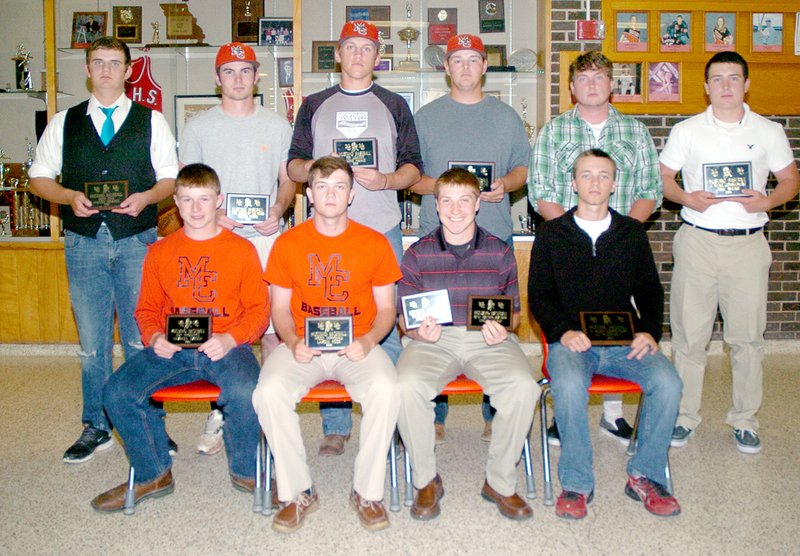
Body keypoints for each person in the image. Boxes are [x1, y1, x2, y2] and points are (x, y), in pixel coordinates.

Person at [29, 36, 178, 464]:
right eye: (99, 62)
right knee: (93, 342)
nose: (108, 70)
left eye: (116, 63)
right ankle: (96, 424)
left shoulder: (153, 121)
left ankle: (147, 421)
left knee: (141, 337)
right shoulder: (64, 122)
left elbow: (170, 178)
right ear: (88, 70)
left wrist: (148, 198)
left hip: (138, 240)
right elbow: (39, 178)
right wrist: (66, 196)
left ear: (129, 70)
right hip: (83, 242)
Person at [90, 163, 269, 512]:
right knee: (117, 392)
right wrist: (155, 336)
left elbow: (259, 311)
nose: (197, 208)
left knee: (247, 390)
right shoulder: (159, 252)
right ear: (175, 202)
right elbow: (146, 310)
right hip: (173, 349)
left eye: (204, 199)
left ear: (219, 200)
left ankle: (247, 471)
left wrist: (231, 339)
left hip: (226, 346)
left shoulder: (242, 250)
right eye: (187, 200)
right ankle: (152, 472)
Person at [288, 19, 422, 457]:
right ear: (338, 54)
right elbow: (293, 165)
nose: (359, 55)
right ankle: (336, 424)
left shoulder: (394, 104)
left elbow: (413, 168)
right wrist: (320, 175)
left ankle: (397, 418)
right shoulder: (313, 103)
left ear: (377, 55)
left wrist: (385, 179)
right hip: (322, 235)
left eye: (367, 47)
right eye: (351, 47)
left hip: (380, 229)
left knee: (388, 323)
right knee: (325, 317)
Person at [529, 148, 683, 520]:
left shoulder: (630, 233)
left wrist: (648, 331)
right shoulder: (552, 234)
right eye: (586, 175)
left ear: (614, 184)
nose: (594, 182)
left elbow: (649, 289)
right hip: (572, 343)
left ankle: (645, 475)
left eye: (602, 175)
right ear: (574, 182)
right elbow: (539, 295)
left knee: (668, 382)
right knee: (566, 384)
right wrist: (562, 332)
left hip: (623, 341)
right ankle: (577, 483)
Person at [660, 51, 799, 454]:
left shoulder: (769, 130)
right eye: (717, 79)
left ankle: (744, 420)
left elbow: (791, 179)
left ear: (746, 83)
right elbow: (664, 178)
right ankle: (684, 416)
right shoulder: (687, 130)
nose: (725, 86)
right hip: (697, 240)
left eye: (733, 78)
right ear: (706, 86)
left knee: (748, 338)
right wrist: (687, 197)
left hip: (747, 245)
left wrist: (767, 201)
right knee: (689, 337)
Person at [252, 156, 401, 532]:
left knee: (387, 388)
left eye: (339, 187)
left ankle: (367, 492)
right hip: (305, 345)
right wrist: (292, 340)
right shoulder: (288, 244)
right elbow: (280, 309)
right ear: (310, 194)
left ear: (351, 195)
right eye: (322, 186)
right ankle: (298, 491)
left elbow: (387, 308)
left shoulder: (375, 243)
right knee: (267, 392)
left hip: (358, 345)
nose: (331, 194)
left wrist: (368, 341)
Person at [529, 50, 662, 447]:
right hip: (568, 244)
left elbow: (649, 191)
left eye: (599, 78)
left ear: (611, 86)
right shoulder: (552, 131)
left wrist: (621, 238)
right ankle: (564, 414)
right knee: (566, 324)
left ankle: (613, 414)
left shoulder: (635, 132)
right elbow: (542, 193)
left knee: (620, 320)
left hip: (620, 246)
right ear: (571, 88)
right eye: (583, 78)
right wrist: (569, 238)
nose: (591, 85)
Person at [397, 168, 538, 521]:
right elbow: (403, 319)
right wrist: (417, 333)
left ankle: (500, 483)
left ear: (478, 204)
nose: (455, 209)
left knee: (523, 388)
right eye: (447, 200)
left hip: (486, 339)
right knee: (404, 386)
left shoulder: (500, 252)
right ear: (436, 203)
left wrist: (502, 327)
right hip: (433, 340)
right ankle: (426, 480)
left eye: (464, 200)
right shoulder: (417, 254)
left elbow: (515, 316)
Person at [410, 33, 530, 444]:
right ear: (446, 68)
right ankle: (435, 412)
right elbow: (412, 178)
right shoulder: (425, 117)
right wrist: (448, 190)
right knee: (435, 325)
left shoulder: (507, 116)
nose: (465, 67)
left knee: (491, 326)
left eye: (472, 60)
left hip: (493, 233)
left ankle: (495, 411)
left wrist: (501, 186)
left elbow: (522, 169)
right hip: (436, 238)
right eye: (456, 60)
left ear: (484, 67)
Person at [179, 42, 294, 456]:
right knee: (219, 327)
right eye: (229, 71)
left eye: (246, 71)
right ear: (217, 78)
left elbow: (287, 180)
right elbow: (188, 185)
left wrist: (280, 208)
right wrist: (214, 216)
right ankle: (222, 411)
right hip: (215, 241)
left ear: (257, 76)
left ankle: (265, 413)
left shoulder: (278, 126)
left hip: (264, 240)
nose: (238, 78)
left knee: (269, 330)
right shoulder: (198, 128)